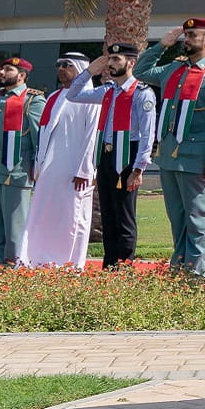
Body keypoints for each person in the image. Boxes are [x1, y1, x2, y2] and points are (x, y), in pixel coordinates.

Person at [135, 18, 205, 275]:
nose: (187, 39)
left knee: (196, 218)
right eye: (186, 35)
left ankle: (194, 274)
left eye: (193, 35)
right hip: (170, 157)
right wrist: (161, 45)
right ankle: (179, 267)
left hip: (198, 158)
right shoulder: (174, 68)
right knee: (177, 218)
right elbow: (139, 72)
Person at [63, 45, 157, 267]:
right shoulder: (107, 90)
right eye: (109, 59)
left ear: (131, 63)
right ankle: (110, 265)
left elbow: (148, 134)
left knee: (124, 216)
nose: (110, 63)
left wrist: (138, 169)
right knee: (108, 214)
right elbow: (73, 95)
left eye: (116, 58)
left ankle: (124, 266)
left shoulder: (142, 92)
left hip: (127, 157)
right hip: (105, 157)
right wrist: (88, 73)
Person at [19, 54, 102, 268]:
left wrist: (84, 169)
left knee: (72, 216)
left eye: (67, 65)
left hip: (74, 170)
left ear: (81, 68)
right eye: (59, 65)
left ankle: (69, 263)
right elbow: (43, 134)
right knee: (44, 214)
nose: (61, 69)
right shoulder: (54, 96)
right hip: (48, 170)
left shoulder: (90, 97)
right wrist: (38, 165)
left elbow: (91, 135)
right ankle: (39, 259)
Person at [0, 57, 43, 265]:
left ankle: (15, 266)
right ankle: (2, 264)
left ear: (22, 75)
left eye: (8, 70)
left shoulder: (33, 100)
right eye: (2, 69)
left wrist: (38, 170)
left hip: (16, 172)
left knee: (14, 227)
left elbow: (40, 139)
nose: (2, 73)